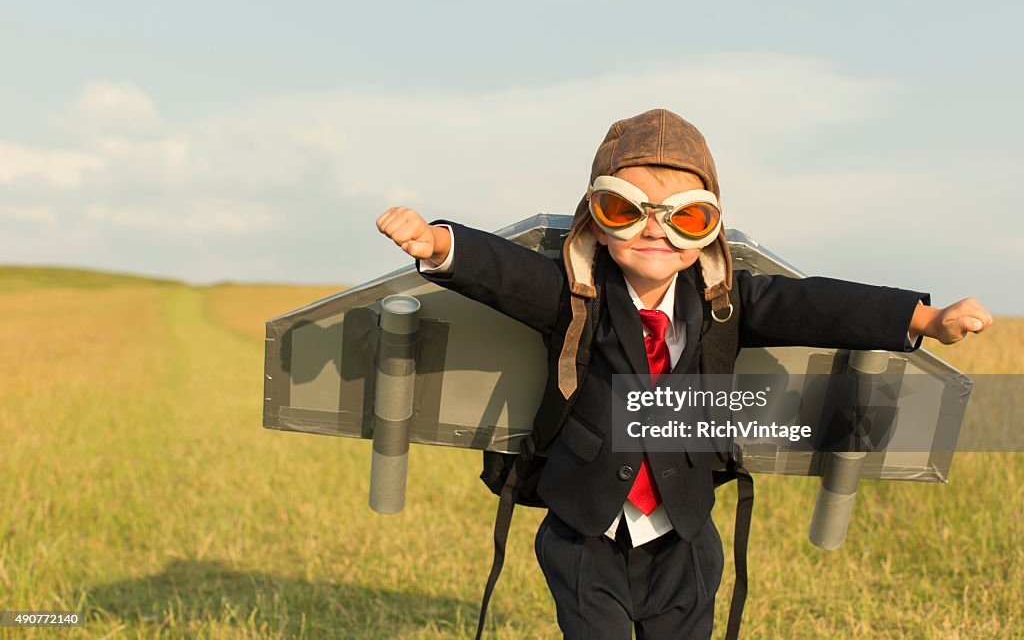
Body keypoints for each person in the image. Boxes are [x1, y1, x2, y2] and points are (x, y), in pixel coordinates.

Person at [374, 108, 992, 639]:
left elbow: (820, 305)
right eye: (626, 209)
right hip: (586, 527)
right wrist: (437, 242)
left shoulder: (724, 302)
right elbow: (506, 273)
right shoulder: (576, 294)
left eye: (686, 218)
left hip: (684, 532)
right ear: (594, 219)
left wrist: (925, 317)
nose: (655, 230)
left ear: (710, 228)